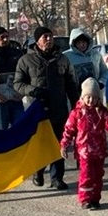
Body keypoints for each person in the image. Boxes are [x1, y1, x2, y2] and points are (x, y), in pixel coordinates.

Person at [14, 26, 78, 190]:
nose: (49, 40)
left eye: (50, 36)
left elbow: (71, 82)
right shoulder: (26, 60)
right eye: (45, 37)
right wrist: (32, 90)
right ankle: (38, 170)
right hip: (37, 109)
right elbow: (18, 84)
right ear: (37, 41)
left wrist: (77, 104)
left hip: (58, 107)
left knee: (59, 142)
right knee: (40, 143)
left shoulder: (62, 59)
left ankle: (57, 178)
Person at [61, 78, 108, 210]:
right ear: (82, 97)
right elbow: (69, 130)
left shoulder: (101, 112)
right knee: (86, 174)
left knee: (98, 175)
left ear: (98, 99)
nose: (91, 100)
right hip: (84, 151)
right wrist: (64, 144)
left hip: (99, 150)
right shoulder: (77, 113)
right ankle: (85, 198)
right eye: (88, 97)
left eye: (94, 98)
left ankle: (95, 198)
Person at [64, 27, 108, 94]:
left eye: (84, 42)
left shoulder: (96, 55)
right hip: (75, 94)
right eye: (79, 43)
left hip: (94, 93)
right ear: (73, 43)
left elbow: (105, 71)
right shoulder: (66, 56)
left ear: (88, 42)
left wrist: (101, 83)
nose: (82, 45)